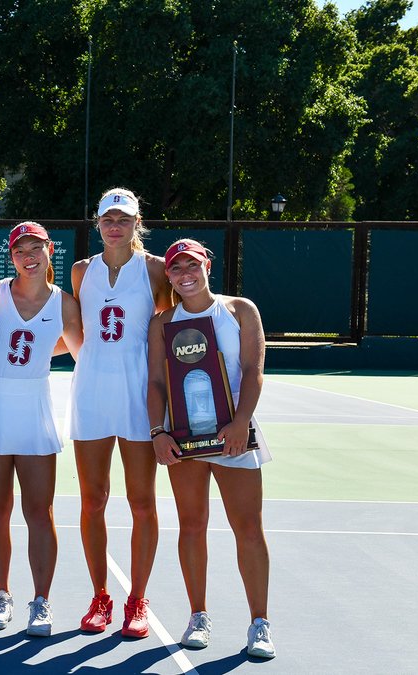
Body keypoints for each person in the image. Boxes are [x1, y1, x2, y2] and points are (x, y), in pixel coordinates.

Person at [147, 239, 276, 659]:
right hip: (184, 437)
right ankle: (198, 615)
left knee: (248, 528)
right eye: (177, 267)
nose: (185, 273)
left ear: (207, 266)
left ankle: (260, 623)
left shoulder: (240, 309)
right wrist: (157, 432)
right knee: (191, 525)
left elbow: (254, 370)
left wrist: (240, 423)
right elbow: (157, 383)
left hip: (234, 434)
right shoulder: (162, 322)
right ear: (169, 274)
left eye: (193, 264)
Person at [69, 187, 171, 638]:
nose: (115, 225)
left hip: (137, 394)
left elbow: (171, 326)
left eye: (124, 218)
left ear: (137, 222)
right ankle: (99, 596)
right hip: (91, 391)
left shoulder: (155, 271)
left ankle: (137, 599)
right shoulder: (80, 271)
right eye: (108, 218)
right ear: (97, 223)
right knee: (93, 501)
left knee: (141, 501)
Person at [0, 222, 83, 636]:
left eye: (36, 247)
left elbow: (82, 354)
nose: (28, 255)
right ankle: (1, 595)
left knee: (40, 512)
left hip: (36, 410)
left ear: (49, 249)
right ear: (12, 255)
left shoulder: (65, 304)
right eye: (20, 250)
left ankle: (41, 602)